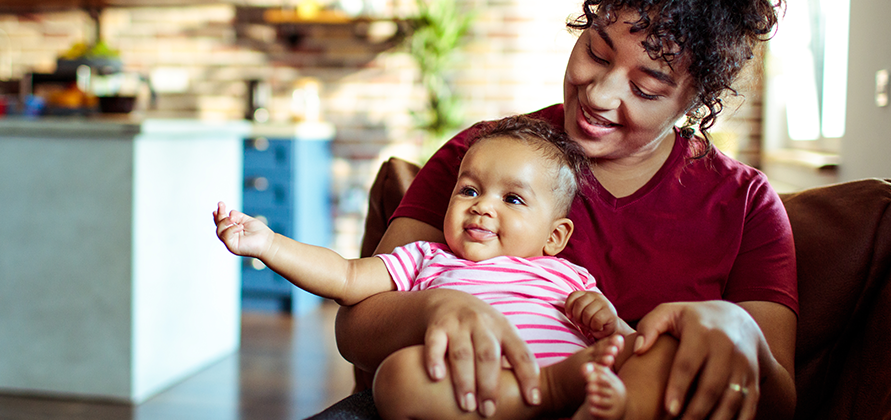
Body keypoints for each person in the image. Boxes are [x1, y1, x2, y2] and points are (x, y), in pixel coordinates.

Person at [330, 0, 798, 419]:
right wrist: (434, 307)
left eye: (647, 87)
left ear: (694, 100)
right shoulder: (484, 157)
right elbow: (355, 330)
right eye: (596, 52)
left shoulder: (745, 203)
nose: (598, 96)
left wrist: (741, 333)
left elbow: (781, 400)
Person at [215, 116, 638, 419]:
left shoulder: (568, 276)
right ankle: (546, 393)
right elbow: (345, 277)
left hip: (580, 384)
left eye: (512, 199)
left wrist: (606, 320)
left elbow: (621, 337)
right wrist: (269, 245)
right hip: (473, 398)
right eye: (469, 189)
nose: (482, 206)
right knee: (397, 378)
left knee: (650, 353)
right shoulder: (427, 258)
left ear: (555, 237)